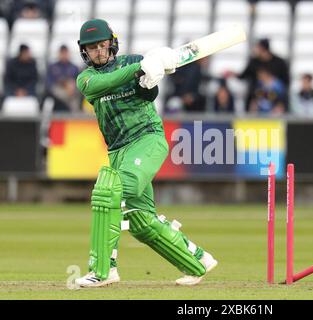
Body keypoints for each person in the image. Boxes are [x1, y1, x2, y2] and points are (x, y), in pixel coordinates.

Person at [74, 19, 217, 288]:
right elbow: (101, 85)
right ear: (85, 52)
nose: (98, 52)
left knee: (110, 192)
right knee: (140, 220)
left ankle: (104, 270)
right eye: (92, 48)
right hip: (117, 150)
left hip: (146, 139)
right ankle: (197, 260)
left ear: (112, 43)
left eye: (102, 45)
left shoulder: (135, 60)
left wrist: (152, 73)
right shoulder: (86, 78)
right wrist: (138, 68)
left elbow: (148, 94)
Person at [227, 38, 289, 111]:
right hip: (257, 99)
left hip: (275, 99)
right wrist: (233, 74)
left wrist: (280, 103)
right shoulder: (254, 62)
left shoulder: (279, 63)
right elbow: (244, 75)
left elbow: (286, 83)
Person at [46, 45, 80, 112]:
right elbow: (49, 83)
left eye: (66, 53)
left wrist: (72, 86)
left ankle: (75, 117)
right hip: (57, 92)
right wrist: (63, 84)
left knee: (75, 98)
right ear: (59, 54)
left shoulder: (74, 67)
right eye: (62, 53)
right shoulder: (52, 67)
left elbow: (79, 82)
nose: (64, 55)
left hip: (72, 92)